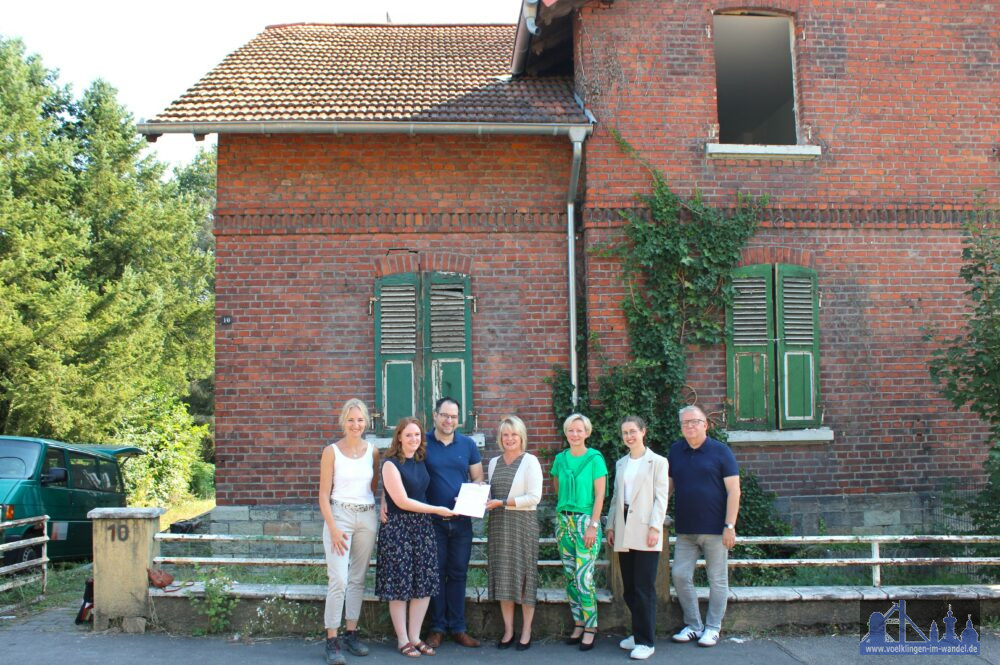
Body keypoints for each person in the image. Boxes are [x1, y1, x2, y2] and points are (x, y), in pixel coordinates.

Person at [375, 417, 456, 658]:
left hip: (422, 528)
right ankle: (402, 639)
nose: (413, 439)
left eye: (417, 435)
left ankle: (415, 636)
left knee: (423, 584)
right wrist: (437, 510)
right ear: (398, 436)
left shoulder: (421, 460)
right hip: (398, 528)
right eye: (408, 435)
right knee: (400, 586)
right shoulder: (390, 463)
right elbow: (401, 501)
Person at [668, 405, 741, 648]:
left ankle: (712, 627)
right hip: (686, 530)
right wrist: (657, 515)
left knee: (717, 580)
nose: (689, 426)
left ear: (705, 424)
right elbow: (668, 488)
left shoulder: (721, 452)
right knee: (679, 575)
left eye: (695, 421)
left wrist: (730, 525)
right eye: (685, 423)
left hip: (715, 530)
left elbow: (734, 491)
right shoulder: (676, 451)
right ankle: (694, 625)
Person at [318, 399, 380, 665]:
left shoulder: (373, 452)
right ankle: (332, 639)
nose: (356, 425)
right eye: (351, 420)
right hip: (339, 516)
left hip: (367, 515)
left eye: (360, 420)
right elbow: (322, 494)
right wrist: (332, 527)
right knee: (339, 579)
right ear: (343, 421)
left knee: (357, 578)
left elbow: (374, 487)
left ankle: (351, 633)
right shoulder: (331, 451)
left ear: (366, 422)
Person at [605, 416, 669, 661]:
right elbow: (615, 497)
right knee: (629, 588)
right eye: (625, 433)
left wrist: (655, 527)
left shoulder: (658, 462)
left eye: (633, 431)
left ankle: (647, 641)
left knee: (644, 588)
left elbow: (661, 498)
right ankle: (637, 631)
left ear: (644, 432)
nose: (629, 436)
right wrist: (610, 525)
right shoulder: (621, 463)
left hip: (645, 528)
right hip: (623, 527)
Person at [423, 397, 484, 649]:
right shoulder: (423, 443)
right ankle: (437, 628)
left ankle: (458, 628)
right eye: (445, 415)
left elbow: (478, 477)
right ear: (435, 415)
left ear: (459, 419)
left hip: (461, 522)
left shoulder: (468, 444)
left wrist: (472, 492)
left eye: (454, 416)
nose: (449, 420)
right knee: (435, 574)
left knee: (458, 573)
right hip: (432, 521)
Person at [484, 416, 543, 651]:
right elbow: (491, 494)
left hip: (522, 525)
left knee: (525, 577)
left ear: (521, 437)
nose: (509, 439)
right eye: (505, 435)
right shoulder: (493, 462)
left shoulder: (530, 461)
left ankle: (526, 630)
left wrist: (502, 502)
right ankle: (508, 631)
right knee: (504, 577)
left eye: (514, 435)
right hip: (499, 524)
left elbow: (534, 498)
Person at [550, 413, 608, 651]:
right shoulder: (560, 459)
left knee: (585, 577)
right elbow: (556, 488)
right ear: (566, 432)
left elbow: (600, 495)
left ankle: (591, 626)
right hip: (564, 522)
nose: (575, 434)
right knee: (571, 576)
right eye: (571, 430)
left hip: (586, 523)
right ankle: (578, 622)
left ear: (587, 432)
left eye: (579, 430)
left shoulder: (595, 458)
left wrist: (593, 525)